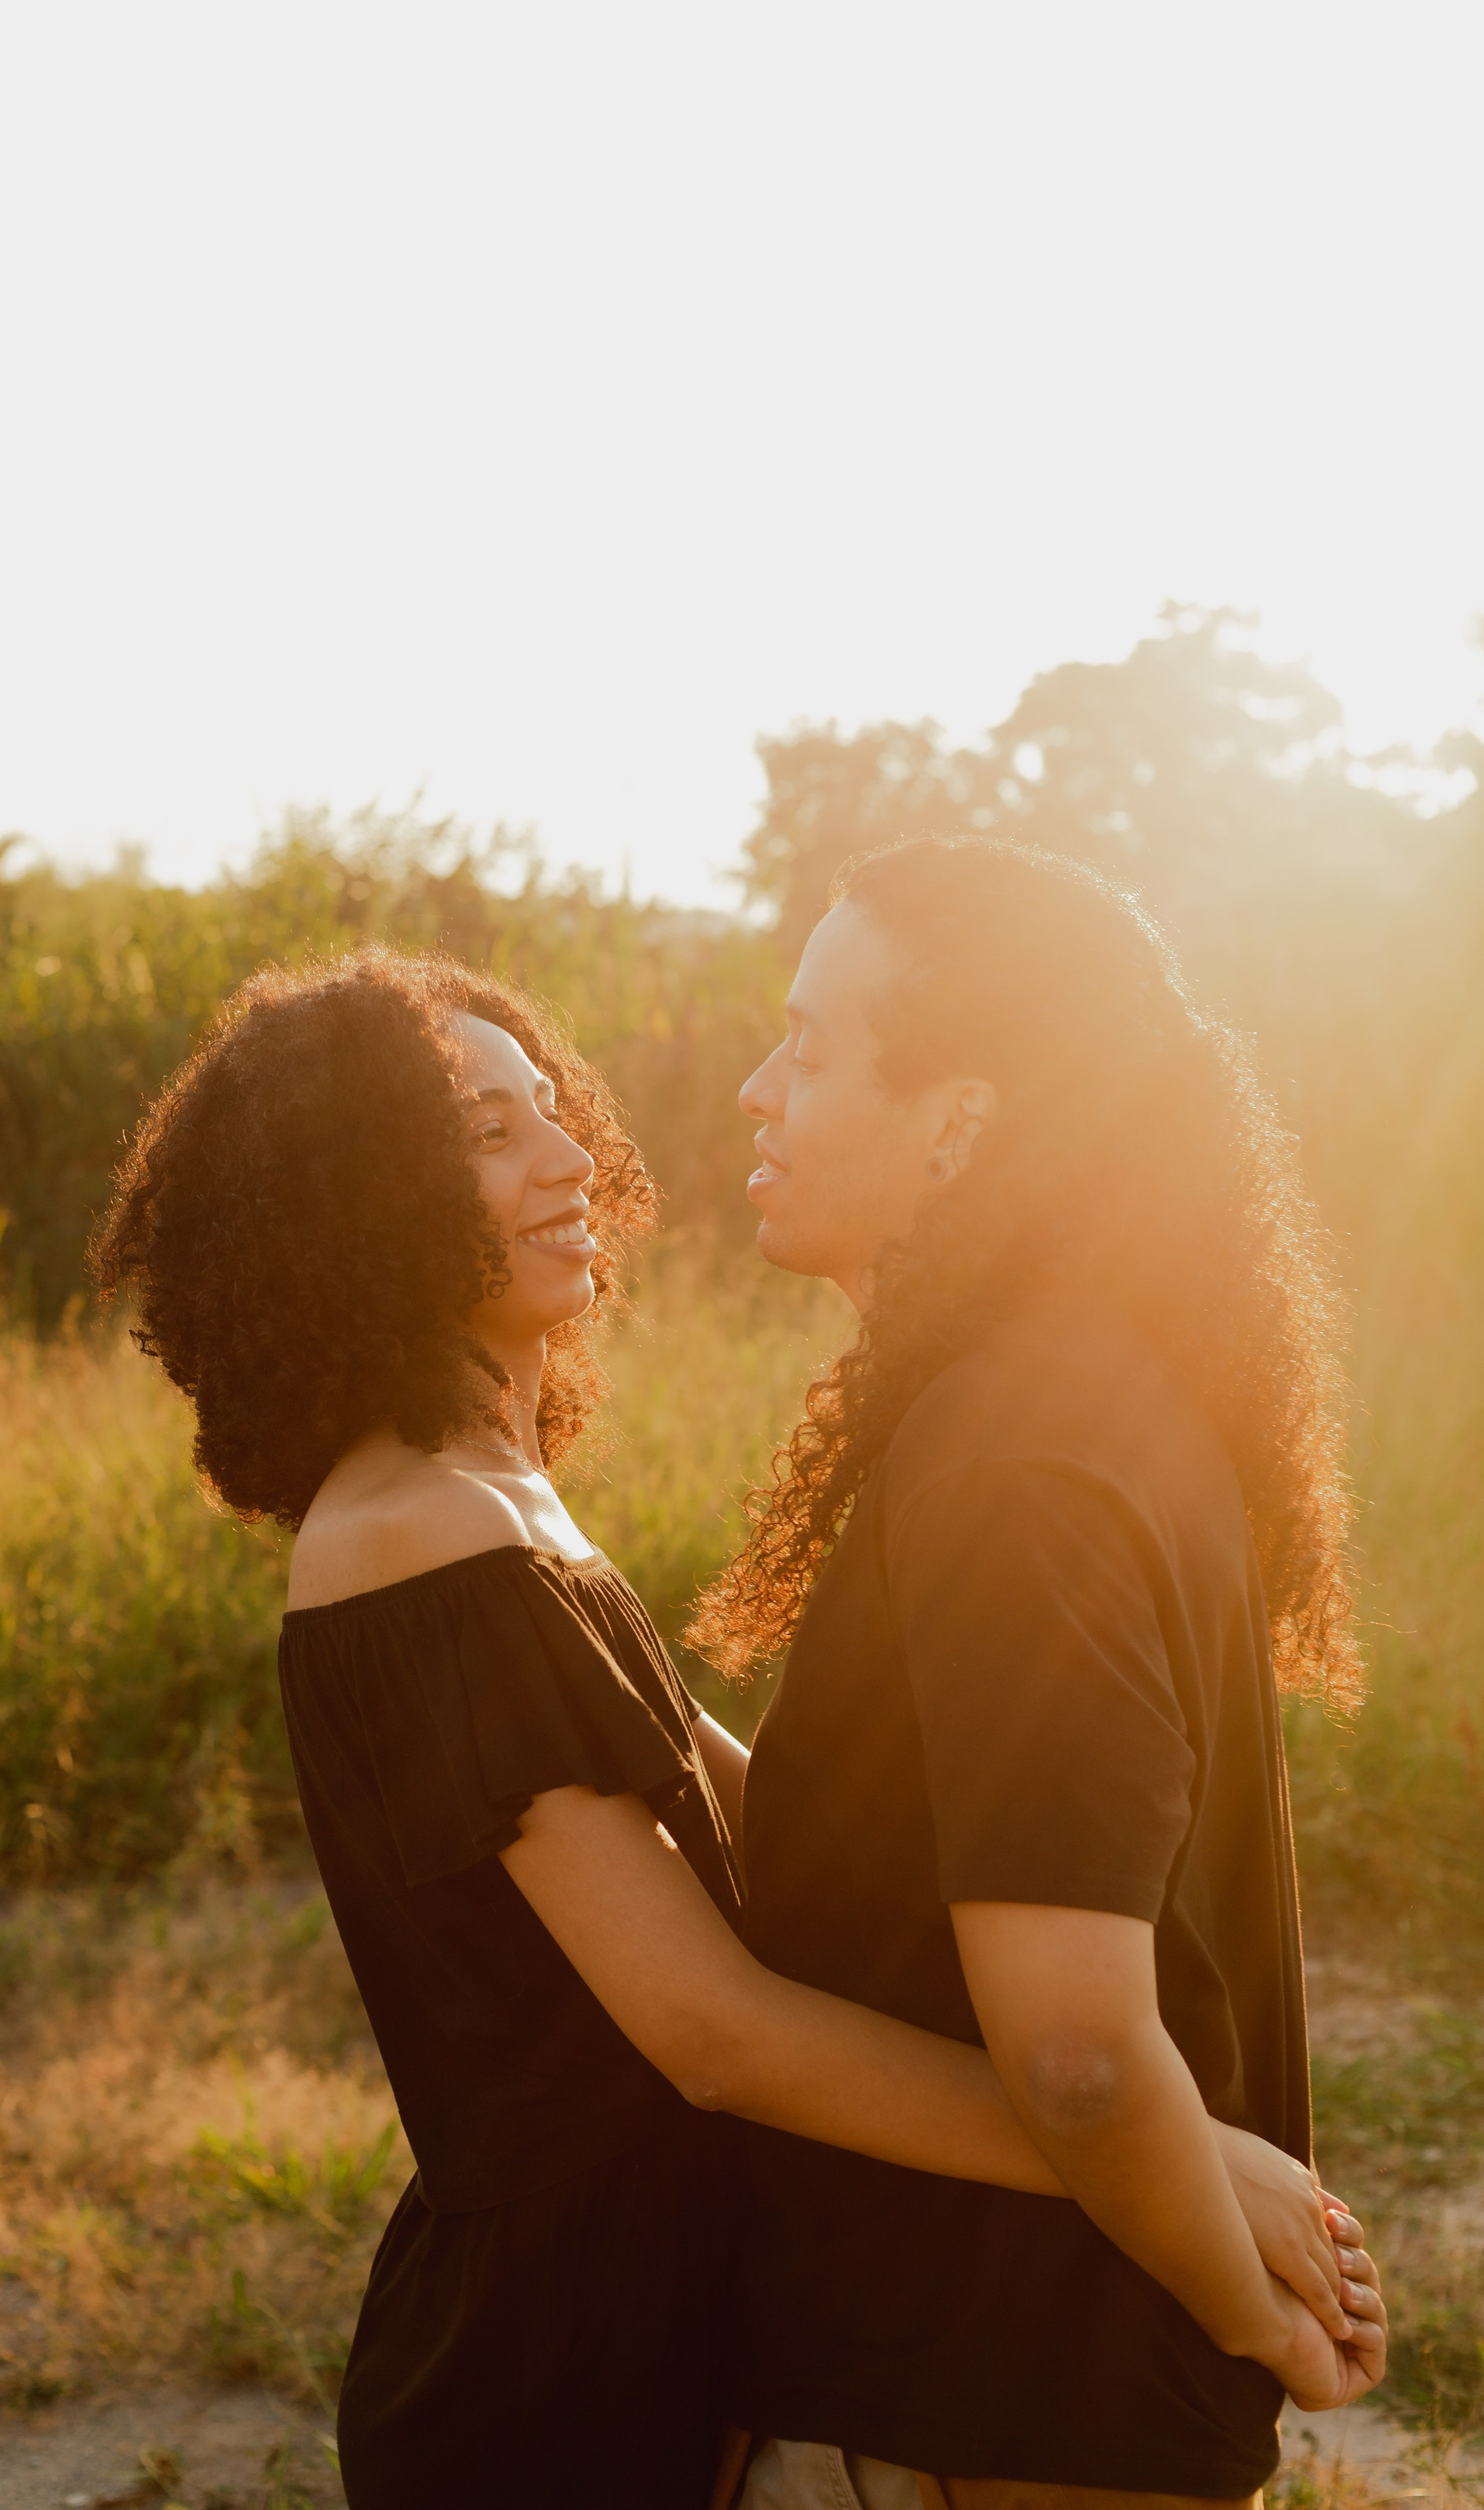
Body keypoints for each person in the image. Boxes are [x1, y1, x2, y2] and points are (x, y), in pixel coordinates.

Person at [91, 943, 1375, 2510]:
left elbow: (775, 1834)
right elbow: (710, 2034)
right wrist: (1159, 2163)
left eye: (547, 1107)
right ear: (352, 1201)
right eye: (483, 1133)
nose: (568, 1153)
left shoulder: (501, 1507)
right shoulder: (410, 1533)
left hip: (681, 2301)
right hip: (555, 2361)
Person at [689, 836, 1386, 2510]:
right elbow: (902, 1844)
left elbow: (1074, 2052)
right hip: (1016, 2384)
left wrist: (1256, 2322)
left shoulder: (1017, 1461)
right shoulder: (1068, 1394)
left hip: (1007, 2404)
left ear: (960, 1120)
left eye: (811, 1045)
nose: (753, 1089)